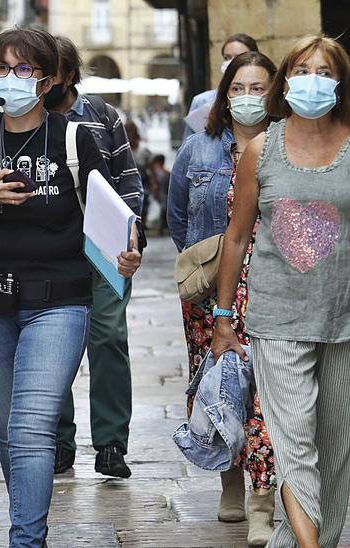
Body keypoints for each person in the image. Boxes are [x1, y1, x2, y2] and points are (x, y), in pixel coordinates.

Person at [0, 28, 140, 547]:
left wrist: (127, 253)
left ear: (46, 81)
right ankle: (27, 526)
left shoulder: (73, 139)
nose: (10, 78)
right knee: (10, 432)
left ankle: (26, 540)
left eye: (23, 69)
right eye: (2, 68)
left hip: (57, 302)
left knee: (32, 429)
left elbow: (110, 214)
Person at [212, 35, 350, 548]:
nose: (312, 81)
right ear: (286, 81)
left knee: (336, 452)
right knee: (296, 448)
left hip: (344, 318)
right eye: (302, 71)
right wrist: (223, 318)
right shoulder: (261, 149)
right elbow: (236, 237)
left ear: (341, 83)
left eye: (324, 72)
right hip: (278, 319)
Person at [167, 51, 279, 547]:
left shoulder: (286, 145)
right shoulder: (198, 149)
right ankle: (229, 480)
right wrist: (208, 267)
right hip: (211, 294)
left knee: (265, 395)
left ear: (274, 93)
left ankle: (262, 501)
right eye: (237, 88)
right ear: (223, 95)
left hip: (272, 288)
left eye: (258, 88)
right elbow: (177, 217)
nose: (247, 98)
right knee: (219, 385)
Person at [46, 35, 146, 479]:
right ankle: (57, 442)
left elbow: (128, 179)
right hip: (49, 253)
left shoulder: (103, 116)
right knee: (53, 344)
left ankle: (110, 445)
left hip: (106, 248)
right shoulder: (24, 119)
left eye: (50, 72)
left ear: (69, 75)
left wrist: (131, 233)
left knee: (107, 338)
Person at [185, 34, 259, 138]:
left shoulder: (261, 99)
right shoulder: (202, 101)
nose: (231, 62)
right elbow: (189, 144)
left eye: (239, 57)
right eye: (227, 57)